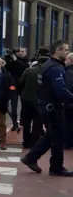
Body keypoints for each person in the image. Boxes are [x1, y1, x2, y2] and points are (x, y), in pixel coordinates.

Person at [21, 40, 73, 176]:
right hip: (54, 108)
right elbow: (60, 90)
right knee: (58, 137)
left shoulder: (46, 66)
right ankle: (56, 167)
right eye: (66, 50)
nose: (67, 53)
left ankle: (31, 157)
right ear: (58, 51)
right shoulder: (55, 68)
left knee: (51, 135)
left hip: (46, 106)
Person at [19, 47, 49, 148]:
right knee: (37, 122)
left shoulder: (29, 71)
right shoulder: (48, 72)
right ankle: (33, 141)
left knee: (26, 122)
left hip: (27, 99)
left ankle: (26, 142)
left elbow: (20, 83)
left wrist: (23, 94)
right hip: (40, 101)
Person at [5, 47, 29, 131]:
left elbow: (22, 66)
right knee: (13, 106)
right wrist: (7, 59)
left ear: (26, 53)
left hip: (23, 86)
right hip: (13, 86)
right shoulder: (13, 60)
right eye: (19, 51)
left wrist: (15, 60)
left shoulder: (26, 62)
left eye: (22, 51)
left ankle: (23, 121)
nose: (20, 53)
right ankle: (14, 123)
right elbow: (7, 67)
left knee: (24, 105)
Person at [64, 53, 73, 149]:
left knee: (68, 123)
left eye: (66, 60)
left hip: (70, 103)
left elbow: (67, 88)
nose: (65, 61)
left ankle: (68, 142)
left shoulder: (70, 73)